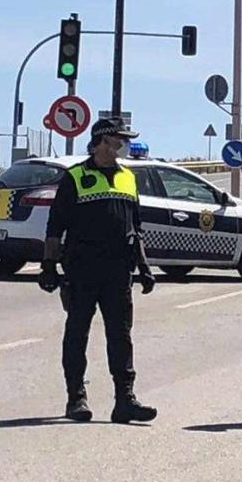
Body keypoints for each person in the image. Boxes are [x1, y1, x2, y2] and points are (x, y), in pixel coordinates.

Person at [38, 117, 158, 424]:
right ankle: (76, 398)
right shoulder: (75, 177)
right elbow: (55, 226)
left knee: (121, 336)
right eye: (120, 140)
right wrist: (49, 266)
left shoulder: (128, 177)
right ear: (103, 142)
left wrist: (144, 266)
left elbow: (136, 227)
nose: (124, 145)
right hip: (82, 269)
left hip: (119, 271)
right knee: (77, 333)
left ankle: (125, 400)